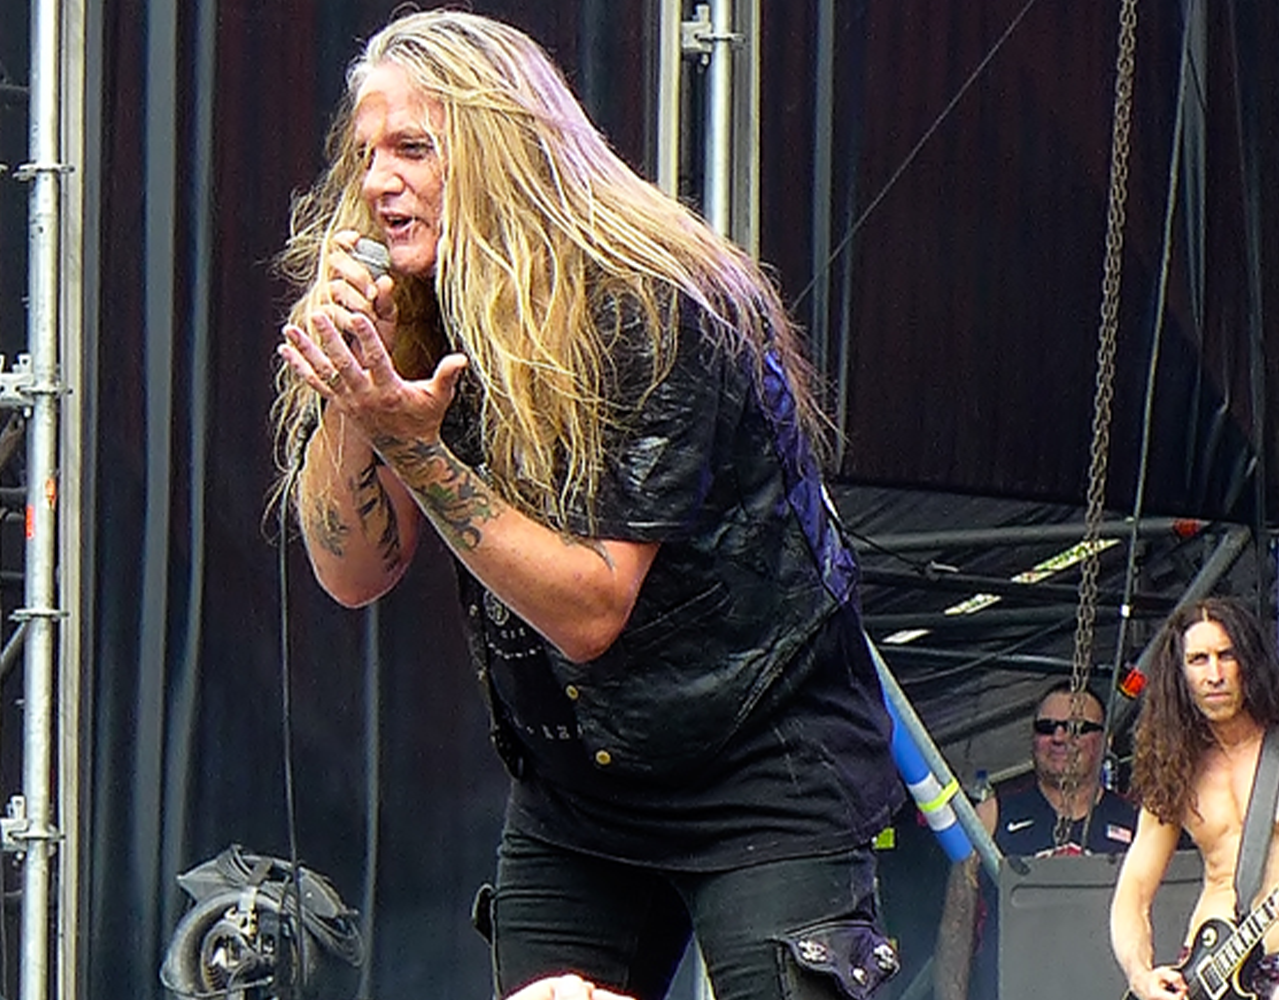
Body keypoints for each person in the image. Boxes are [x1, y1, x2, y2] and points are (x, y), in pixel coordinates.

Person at [270, 11, 903, 1000]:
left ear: (501, 152)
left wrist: (408, 440)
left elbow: (590, 608)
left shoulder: (652, 303)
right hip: (580, 789)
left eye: (411, 147)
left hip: (761, 763)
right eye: (364, 155)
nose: (378, 180)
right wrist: (352, 394)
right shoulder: (420, 302)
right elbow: (351, 574)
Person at [1111, 597, 1279, 1000]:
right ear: (1179, 674)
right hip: (1207, 976)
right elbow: (1134, 888)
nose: (1215, 674)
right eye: (1199, 660)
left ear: (1249, 663)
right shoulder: (1177, 767)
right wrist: (1140, 975)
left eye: (1226, 656)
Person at [932, 681, 1137, 1000]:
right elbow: (956, 929)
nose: (1059, 737)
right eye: (1046, 727)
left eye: (1077, 728)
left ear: (1106, 740)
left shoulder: (1137, 821)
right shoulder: (991, 815)